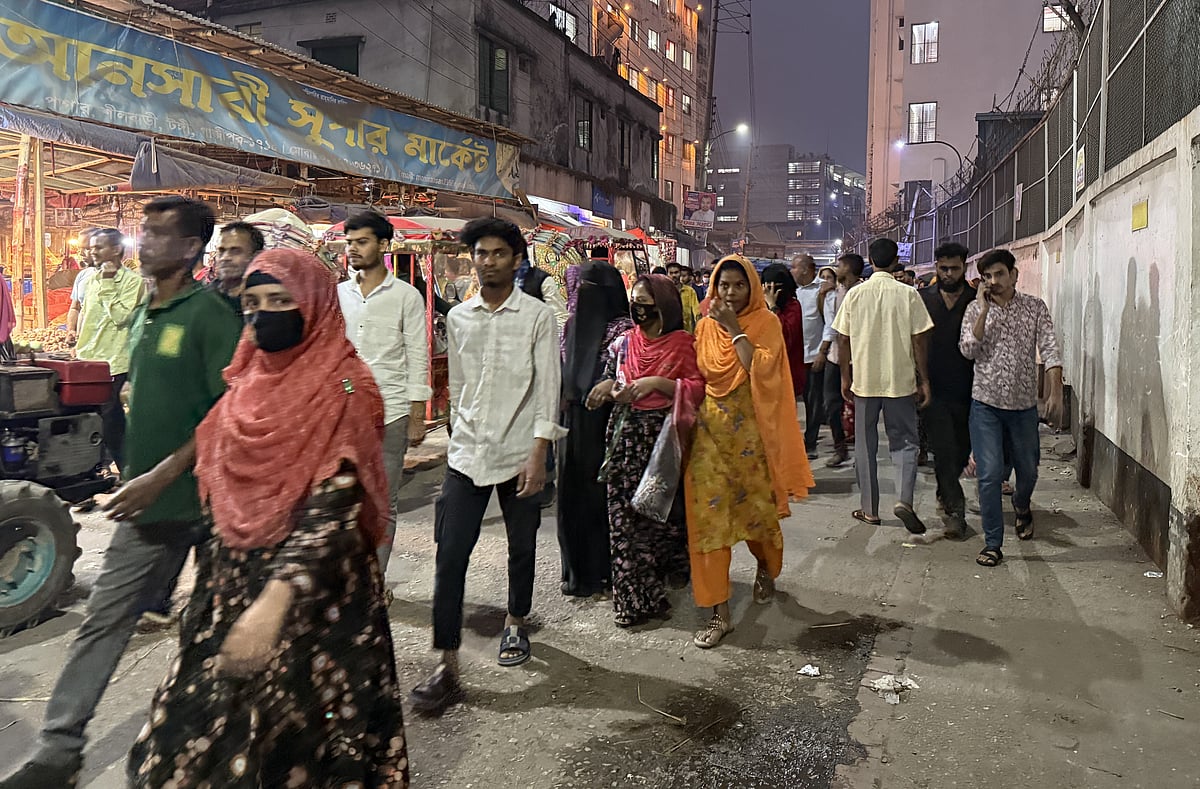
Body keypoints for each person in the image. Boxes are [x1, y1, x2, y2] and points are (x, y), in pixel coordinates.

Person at [126, 249, 409, 787]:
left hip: (313, 607)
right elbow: (211, 432)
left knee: (301, 746)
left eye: (281, 301)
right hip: (229, 589)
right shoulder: (248, 376)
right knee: (192, 739)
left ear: (313, 305)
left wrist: (272, 605)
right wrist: (160, 477)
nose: (263, 315)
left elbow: (334, 508)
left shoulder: (346, 386)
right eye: (253, 303)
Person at [0, 197, 242, 789]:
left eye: (157, 234)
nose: (143, 243)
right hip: (149, 506)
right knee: (103, 621)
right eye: (143, 232)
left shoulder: (209, 315)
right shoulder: (147, 311)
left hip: (213, 504)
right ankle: (59, 752)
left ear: (191, 248)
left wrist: (162, 473)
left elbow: (231, 411)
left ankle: (220, 749)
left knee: (221, 632)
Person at [409, 217, 564, 712]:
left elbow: (547, 388)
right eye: (481, 253)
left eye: (499, 253)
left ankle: (516, 621)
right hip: (467, 454)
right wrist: (455, 431)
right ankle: (447, 664)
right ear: (472, 259)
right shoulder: (460, 318)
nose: (489, 261)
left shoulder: (537, 317)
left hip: (519, 451)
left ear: (516, 261)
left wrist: (539, 452)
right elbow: (458, 384)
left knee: (522, 545)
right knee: (450, 555)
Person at [685, 256, 814, 648]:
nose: (730, 292)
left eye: (739, 285)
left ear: (752, 288)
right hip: (708, 442)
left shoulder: (766, 323)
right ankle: (719, 614)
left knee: (757, 518)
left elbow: (760, 370)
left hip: (752, 444)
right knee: (708, 527)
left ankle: (765, 566)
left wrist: (735, 329)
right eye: (723, 285)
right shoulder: (704, 326)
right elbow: (696, 377)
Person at [586, 274, 704, 627]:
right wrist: (609, 388)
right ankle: (635, 600)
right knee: (624, 522)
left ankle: (669, 569)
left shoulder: (683, 344)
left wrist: (658, 383)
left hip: (662, 438)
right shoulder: (624, 342)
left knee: (659, 516)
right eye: (634, 302)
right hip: (625, 435)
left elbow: (697, 388)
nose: (638, 309)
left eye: (646, 303)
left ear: (664, 306)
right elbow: (612, 375)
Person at [337, 211, 431, 573]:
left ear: (383, 245)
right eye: (350, 243)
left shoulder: (406, 296)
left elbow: (417, 355)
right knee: (342, 500)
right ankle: (348, 579)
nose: (353, 249)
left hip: (391, 412)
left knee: (382, 502)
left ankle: (374, 580)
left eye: (362, 242)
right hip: (344, 412)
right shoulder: (339, 294)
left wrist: (417, 415)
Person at [960, 248, 1063, 567]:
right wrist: (982, 311)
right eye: (987, 276)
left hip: (1023, 407)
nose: (994, 281)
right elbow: (967, 350)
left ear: (1014, 275)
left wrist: (1055, 392)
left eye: (999, 274)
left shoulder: (1034, 307)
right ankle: (993, 543)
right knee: (989, 474)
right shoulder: (974, 310)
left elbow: (1050, 349)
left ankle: (1021, 504)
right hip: (985, 405)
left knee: (1028, 471)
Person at [833, 238, 933, 533]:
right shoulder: (909, 294)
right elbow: (919, 339)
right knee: (905, 443)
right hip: (899, 382)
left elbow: (843, 338)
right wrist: (924, 378)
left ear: (870, 260)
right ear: (895, 261)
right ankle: (904, 500)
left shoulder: (855, 294)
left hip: (864, 382)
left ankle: (869, 509)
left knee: (865, 446)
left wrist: (845, 376)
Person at [558, 260, 632, 598]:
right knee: (572, 496)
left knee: (601, 498)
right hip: (572, 423)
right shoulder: (570, 327)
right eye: (579, 290)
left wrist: (609, 384)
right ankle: (576, 572)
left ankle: (606, 571)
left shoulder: (623, 331)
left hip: (608, 425)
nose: (581, 297)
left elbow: (628, 374)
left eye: (589, 291)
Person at [75, 228, 144, 473]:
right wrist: (77, 346)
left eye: (98, 247)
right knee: (88, 420)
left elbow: (121, 317)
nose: (92, 252)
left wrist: (107, 284)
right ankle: (93, 472)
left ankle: (129, 473)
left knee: (111, 421)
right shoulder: (90, 279)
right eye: (91, 248)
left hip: (114, 362)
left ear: (116, 250)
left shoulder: (133, 282)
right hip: (87, 360)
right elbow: (85, 314)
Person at [921, 243, 977, 539]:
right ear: (936, 267)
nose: (948, 274)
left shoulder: (976, 300)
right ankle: (956, 512)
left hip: (970, 387)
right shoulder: (923, 299)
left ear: (964, 267)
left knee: (962, 451)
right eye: (943, 268)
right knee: (943, 449)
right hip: (934, 388)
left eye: (954, 268)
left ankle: (945, 488)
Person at [815, 253, 866, 468]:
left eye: (840, 265)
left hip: (857, 358)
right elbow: (829, 321)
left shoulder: (862, 293)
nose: (836, 268)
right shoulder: (834, 291)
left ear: (849, 269)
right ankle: (840, 448)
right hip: (835, 356)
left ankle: (863, 453)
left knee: (861, 408)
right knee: (831, 404)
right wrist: (822, 296)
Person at [789, 253, 827, 459]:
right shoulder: (791, 290)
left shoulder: (823, 290)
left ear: (804, 269)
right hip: (793, 356)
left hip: (813, 355)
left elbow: (830, 323)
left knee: (813, 400)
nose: (792, 270)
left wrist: (822, 352)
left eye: (794, 267)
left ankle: (810, 442)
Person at [761, 263, 807, 402]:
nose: (772, 293)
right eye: (768, 288)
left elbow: (784, 337)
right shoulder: (758, 307)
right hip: (762, 374)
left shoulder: (793, 306)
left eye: (777, 288)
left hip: (788, 375)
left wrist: (773, 307)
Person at [211, 220, 264, 313]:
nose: (225, 258)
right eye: (221, 251)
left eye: (235, 251)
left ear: (256, 256)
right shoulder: (205, 297)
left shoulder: (266, 299)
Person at [65, 228, 98, 345]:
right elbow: (75, 307)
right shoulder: (83, 275)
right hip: (83, 343)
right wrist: (71, 330)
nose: (81, 253)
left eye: (86, 248)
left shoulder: (120, 278)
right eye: (80, 249)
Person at [666, 261, 703, 332]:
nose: (674, 275)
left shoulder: (690, 291)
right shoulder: (664, 291)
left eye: (676, 272)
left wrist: (699, 330)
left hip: (686, 331)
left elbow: (697, 313)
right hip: (669, 333)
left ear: (680, 273)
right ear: (667, 274)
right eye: (671, 273)